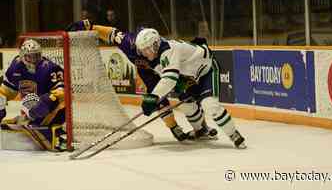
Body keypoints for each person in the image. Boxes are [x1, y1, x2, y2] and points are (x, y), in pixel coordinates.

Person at [67, 20, 218, 141]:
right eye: (142, 49)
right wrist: (89, 26)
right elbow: (111, 33)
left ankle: (201, 128)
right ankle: (174, 127)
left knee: (185, 95)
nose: (145, 52)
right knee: (157, 98)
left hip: (165, 68)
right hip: (148, 73)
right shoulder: (128, 42)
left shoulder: (163, 49)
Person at [135, 28, 247, 149]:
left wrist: (153, 97)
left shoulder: (168, 50)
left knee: (210, 105)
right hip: (189, 77)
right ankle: (201, 130)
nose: (144, 53)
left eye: (146, 49)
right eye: (142, 50)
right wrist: (158, 97)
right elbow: (168, 79)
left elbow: (169, 79)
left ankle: (233, 134)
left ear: (155, 45)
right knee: (186, 105)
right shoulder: (155, 58)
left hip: (206, 71)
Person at [0, 39, 66, 151]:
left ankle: (57, 132)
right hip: (31, 109)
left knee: (40, 107)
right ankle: (29, 120)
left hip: (55, 108)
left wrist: (49, 98)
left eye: (36, 56)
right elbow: (7, 90)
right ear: (22, 56)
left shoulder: (49, 68)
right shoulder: (15, 66)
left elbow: (62, 90)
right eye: (29, 56)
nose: (33, 60)